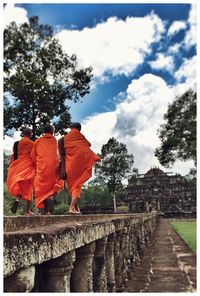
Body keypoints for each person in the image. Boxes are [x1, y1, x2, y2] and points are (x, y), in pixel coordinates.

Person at [64, 122, 100, 214]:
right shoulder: (81, 137)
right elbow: (88, 147)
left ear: (71, 128)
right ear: (79, 129)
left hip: (69, 166)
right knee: (77, 186)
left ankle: (76, 208)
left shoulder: (66, 138)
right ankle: (71, 208)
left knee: (73, 187)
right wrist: (95, 157)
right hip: (79, 166)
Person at [31, 125, 64, 214]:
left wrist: (36, 165)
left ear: (44, 132)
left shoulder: (38, 141)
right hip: (53, 168)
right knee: (52, 186)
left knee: (41, 188)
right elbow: (57, 154)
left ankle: (43, 210)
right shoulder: (54, 140)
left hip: (41, 168)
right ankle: (48, 205)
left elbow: (33, 155)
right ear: (52, 132)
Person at [6, 128, 35, 216]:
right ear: (30, 134)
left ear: (23, 134)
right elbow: (33, 156)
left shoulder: (16, 143)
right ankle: (27, 211)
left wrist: (13, 168)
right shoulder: (32, 144)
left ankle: (17, 199)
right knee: (29, 188)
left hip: (18, 166)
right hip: (28, 167)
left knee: (19, 184)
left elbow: (14, 156)